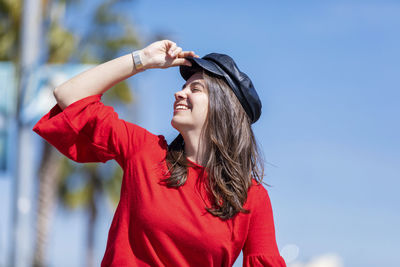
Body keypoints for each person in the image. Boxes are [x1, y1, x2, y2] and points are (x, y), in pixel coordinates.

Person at [33, 40, 286, 267]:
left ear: (224, 108)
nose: (179, 92)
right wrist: (142, 59)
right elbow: (69, 94)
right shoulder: (144, 150)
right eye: (183, 86)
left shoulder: (251, 197)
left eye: (195, 89)